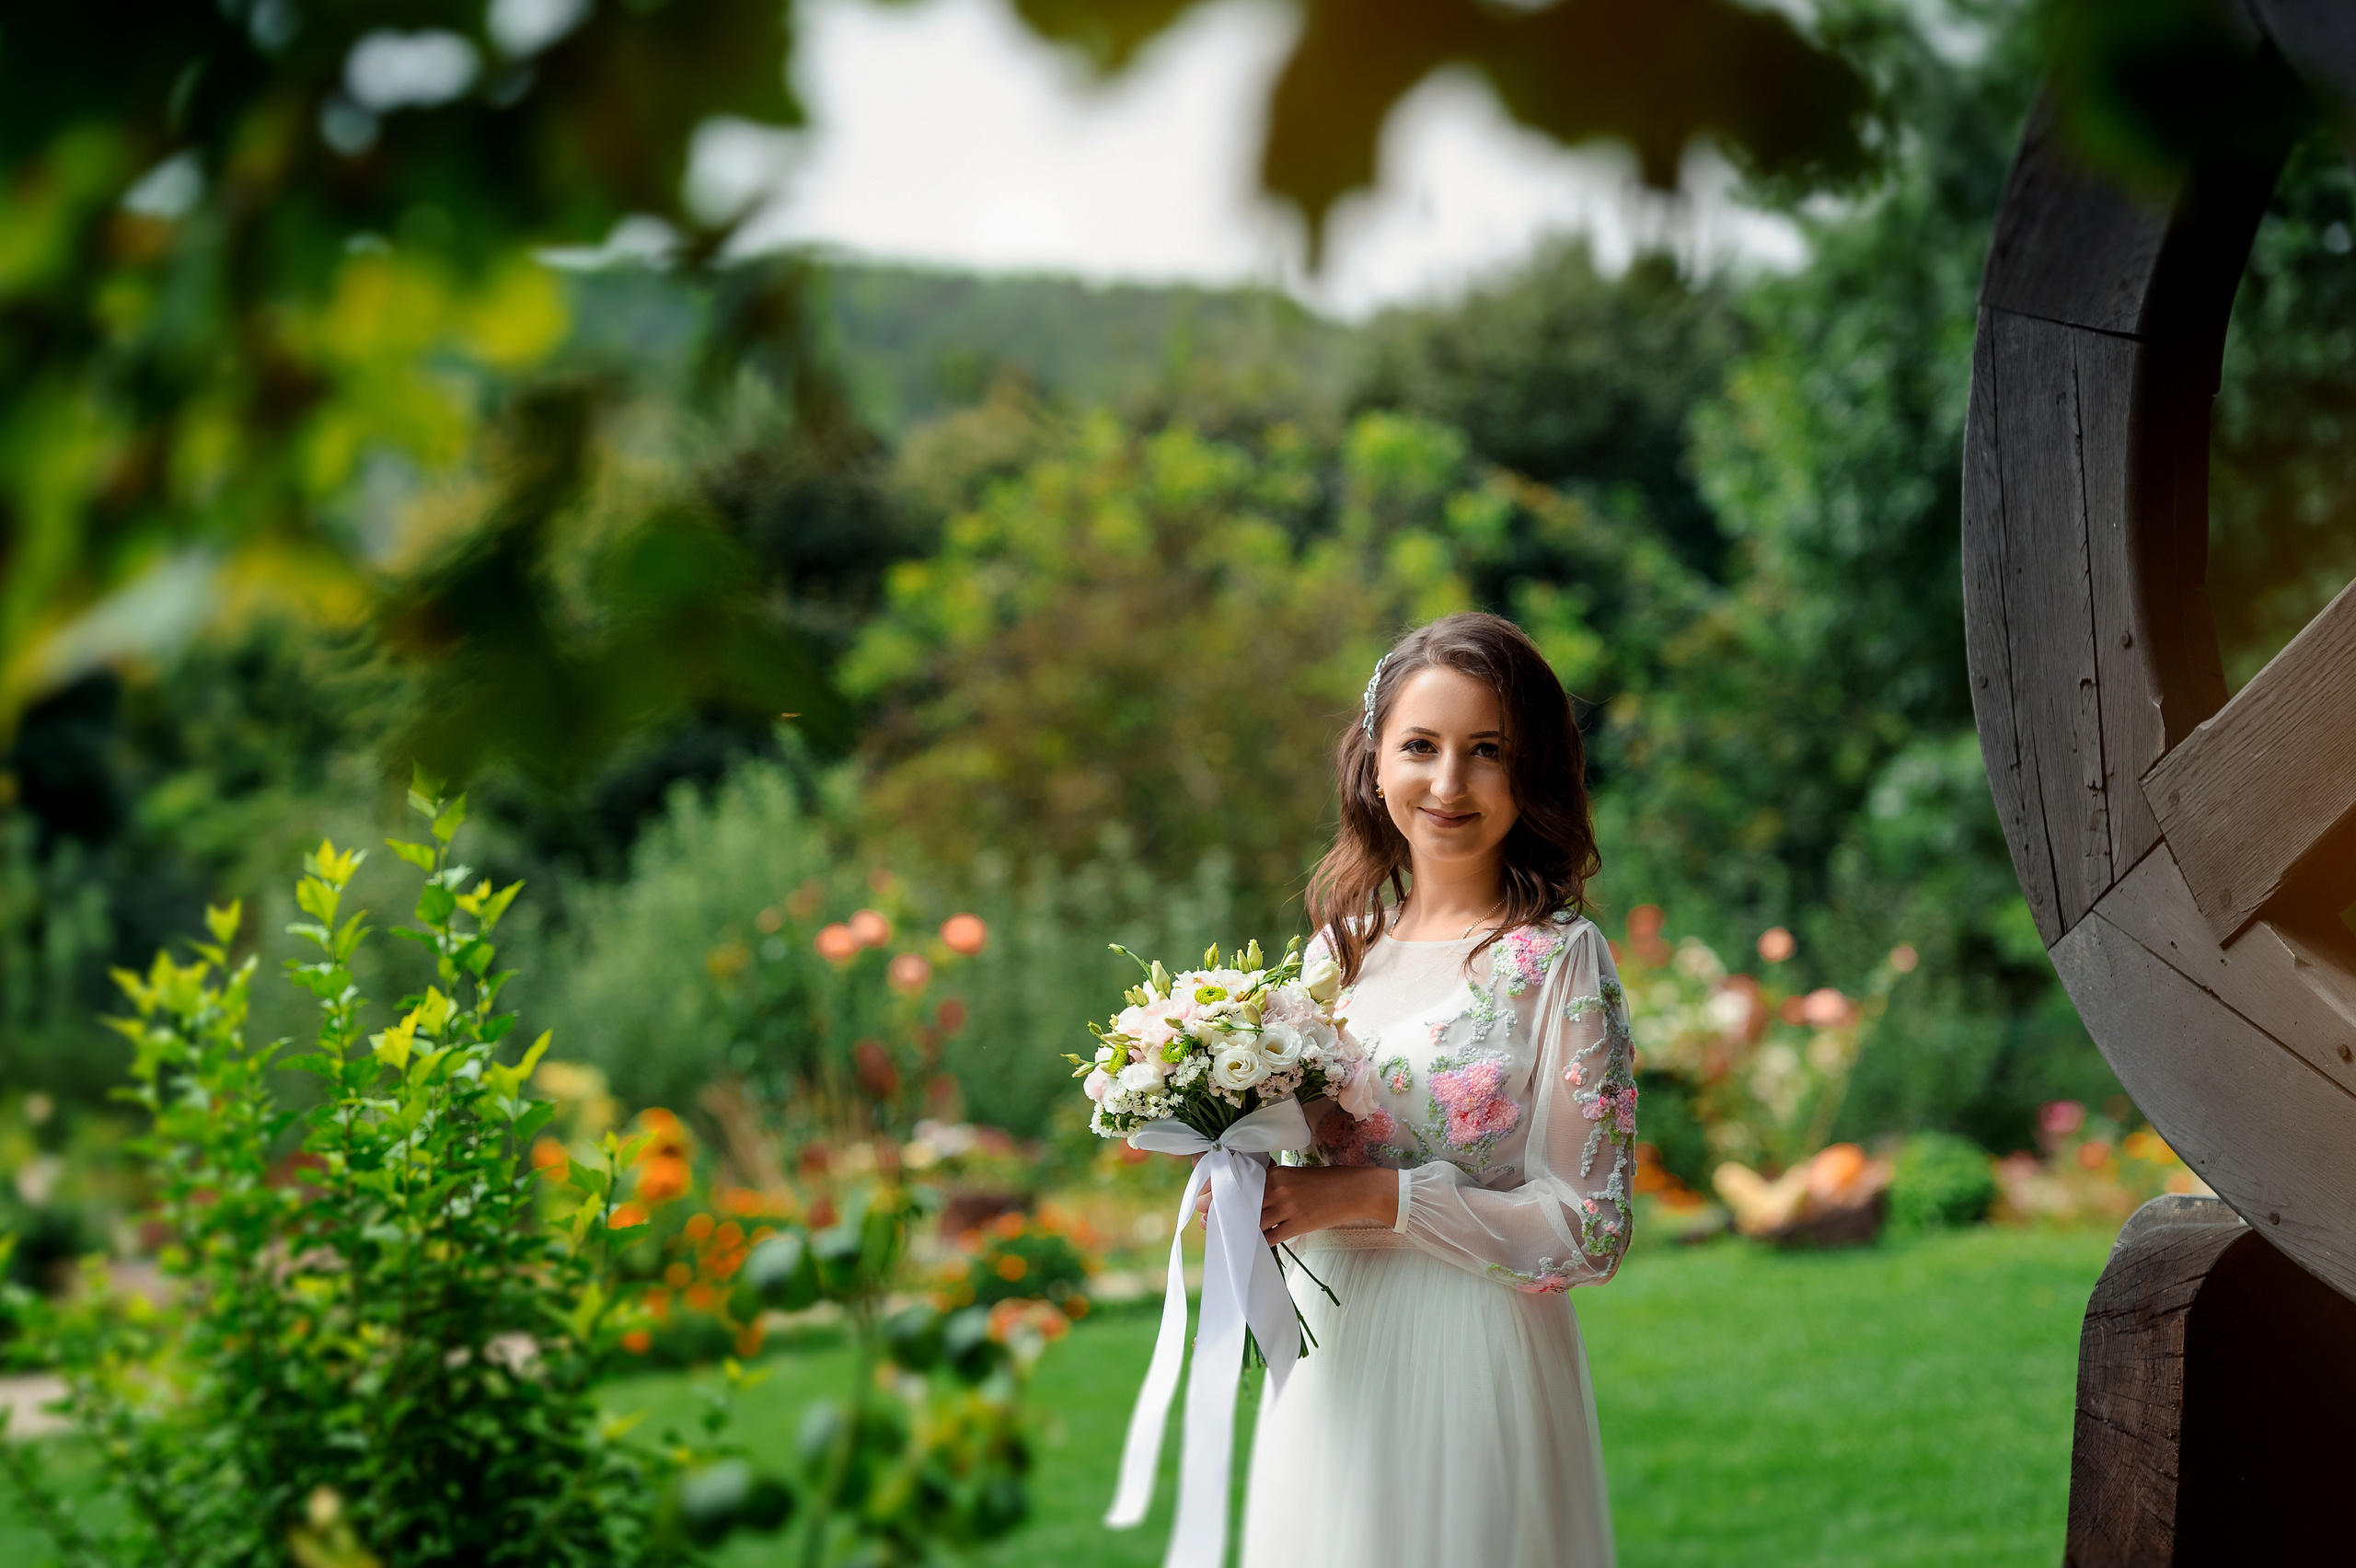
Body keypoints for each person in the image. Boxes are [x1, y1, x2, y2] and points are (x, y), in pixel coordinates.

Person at [1239, 610, 1632, 1568]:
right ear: (1375, 762)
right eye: (1421, 746)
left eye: (1485, 751)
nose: (1447, 784)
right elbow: (1290, 1169)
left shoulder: (1559, 959)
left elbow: (1591, 1230)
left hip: (1475, 1348)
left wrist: (1381, 1195)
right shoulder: (1334, 959)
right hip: (1334, 1351)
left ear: (1527, 770)